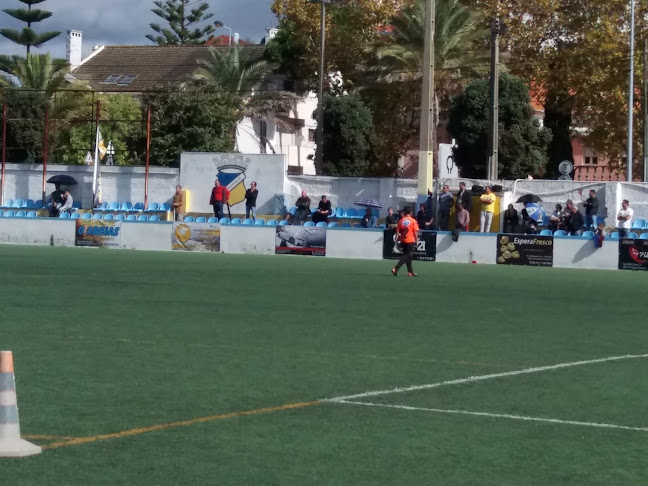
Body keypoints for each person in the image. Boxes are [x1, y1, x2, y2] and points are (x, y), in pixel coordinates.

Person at [391, 206, 419, 277]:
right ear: (411, 213)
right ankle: (396, 268)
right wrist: (416, 240)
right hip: (410, 240)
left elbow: (397, 231)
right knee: (407, 255)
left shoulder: (401, 220)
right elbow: (415, 232)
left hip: (403, 240)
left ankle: (410, 272)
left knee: (408, 256)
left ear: (405, 213)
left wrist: (397, 240)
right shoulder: (413, 221)